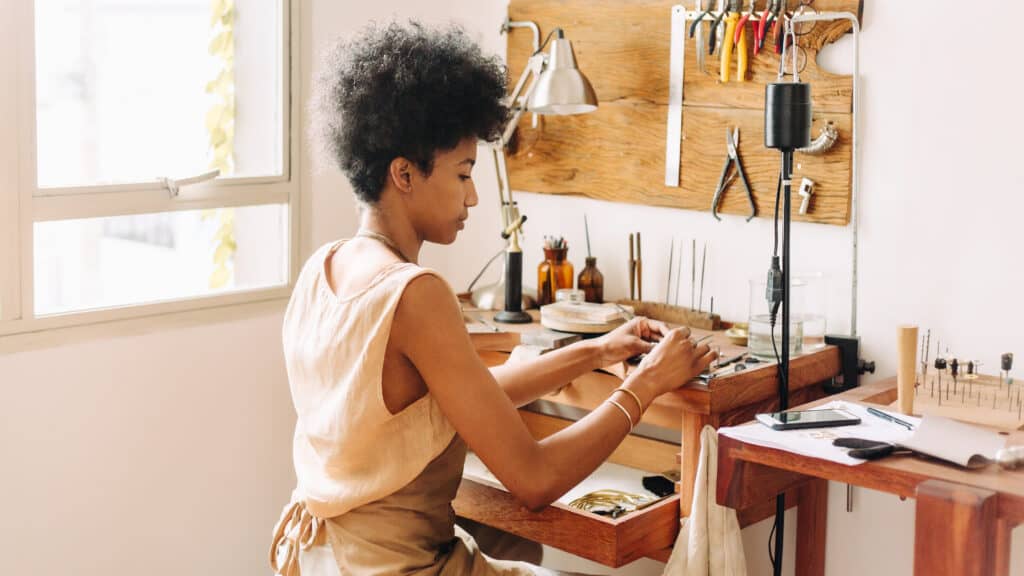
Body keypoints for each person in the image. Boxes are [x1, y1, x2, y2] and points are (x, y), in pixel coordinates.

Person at [270, 21, 717, 576]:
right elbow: (534, 480)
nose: (475, 195)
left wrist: (597, 351)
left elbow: (448, 404)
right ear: (403, 174)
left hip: (317, 561)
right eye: (463, 174)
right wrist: (643, 385)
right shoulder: (414, 294)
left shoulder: (325, 268)